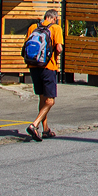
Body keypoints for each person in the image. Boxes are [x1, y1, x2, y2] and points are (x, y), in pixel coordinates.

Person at [25, 9, 64, 141]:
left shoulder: (33, 27)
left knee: (42, 99)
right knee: (50, 101)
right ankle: (34, 125)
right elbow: (58, 48)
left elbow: (26, 46)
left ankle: (45, 130)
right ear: (54, 18)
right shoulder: (56, 28)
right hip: (48, 67)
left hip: (34, 67)